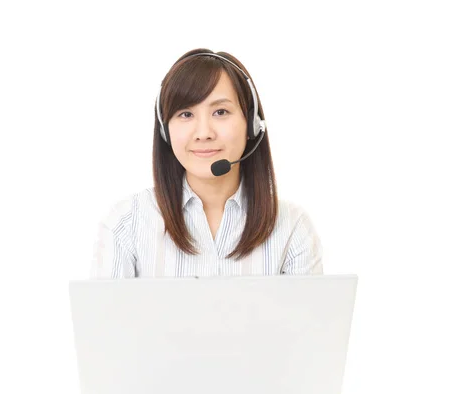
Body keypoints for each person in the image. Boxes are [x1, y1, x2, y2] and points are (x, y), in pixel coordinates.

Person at [90, 48, 323, 279]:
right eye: (186, 114)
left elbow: (311, 317)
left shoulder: (292, 227)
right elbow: (105, 317)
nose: (203, 133)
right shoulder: (126, 223)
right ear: (165, 130)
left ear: (252, 124)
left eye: (220, 112)